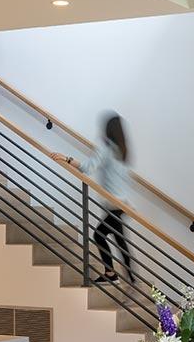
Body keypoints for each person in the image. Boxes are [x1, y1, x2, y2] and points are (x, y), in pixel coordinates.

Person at [54, 111, 135, 284]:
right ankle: (128, 277)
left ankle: (116, 275)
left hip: (113, 204)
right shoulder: (122, 150)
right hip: (122, 204)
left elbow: (87, 167)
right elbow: (125, 179)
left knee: (99, 235)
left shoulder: (106, 149)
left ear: (108, 129)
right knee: (119, 239)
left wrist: (66, 159)